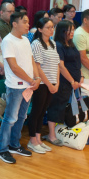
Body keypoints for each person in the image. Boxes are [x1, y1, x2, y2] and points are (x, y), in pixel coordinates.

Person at [0, 11, 40, 164]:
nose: (28, 25)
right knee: (10, 119)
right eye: (25, 22)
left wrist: (37, 78)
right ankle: (2, 150)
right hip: (16, 86)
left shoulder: (26, 40)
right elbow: (14, 67)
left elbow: (31, 60)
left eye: (28, 22)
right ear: (15, 24)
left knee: (22, 117)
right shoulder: (8, 41)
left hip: (28, 85)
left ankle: (14, 145)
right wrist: (31, 80)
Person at [45, 20, 83, 146]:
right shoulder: (58, 45)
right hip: (63, 82)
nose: (72, 32)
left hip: (74, 82)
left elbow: (77, 61)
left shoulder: (71, 44)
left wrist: (81, 76)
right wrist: (72, 80)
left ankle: (59, 132)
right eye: (69, 30)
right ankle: (51, 135)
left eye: (73, 30)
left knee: (66, 107)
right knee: (57, 107)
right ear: (62, 31)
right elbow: (60, 66)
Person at [26, 18, 59, 154]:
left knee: (43, 111)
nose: (51, 30)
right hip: (41, 83)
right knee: (36, 112)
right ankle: (32, 140)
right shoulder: (36, 44)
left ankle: (38, 139)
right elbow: (37, 67)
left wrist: (56, 83)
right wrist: (48, 84)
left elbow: (57, 64)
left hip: (51, 83)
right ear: (40, 29)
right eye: (48, 27)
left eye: (52, 27)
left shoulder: (53, 43)